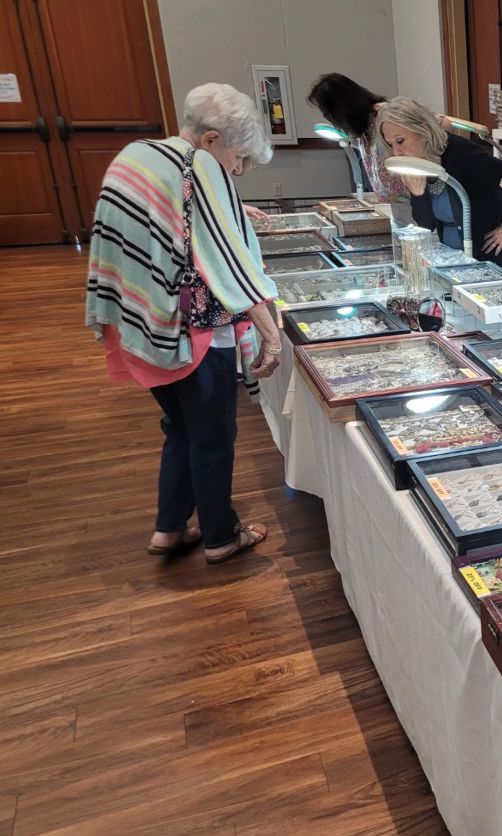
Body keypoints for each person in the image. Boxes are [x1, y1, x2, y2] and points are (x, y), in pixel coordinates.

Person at [85, 83, 283, 564]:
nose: (238, 170)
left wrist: (230, 210)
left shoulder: (138, 155)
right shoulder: (200, 166)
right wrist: (271, 335)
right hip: (190, 331)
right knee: (213, 435)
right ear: (212, 139)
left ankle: (169, 529)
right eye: (240, 158)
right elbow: (230, 267)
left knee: (180, 426)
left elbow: (164, 220)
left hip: (138, 324)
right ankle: (221, 537)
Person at [377, 97, 502, 280]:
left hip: (494, 261)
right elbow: (427, 225)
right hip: (456, 260)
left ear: (423, 129)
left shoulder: (466, 156)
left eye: (400, 141)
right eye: (391, 144)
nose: (396, 151)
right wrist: (418, 194)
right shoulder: (421, 164)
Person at [306, 73, 408, 202]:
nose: (328, 118)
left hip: (412, 201)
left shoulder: (386, 116)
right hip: (392, 205)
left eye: (329, 114)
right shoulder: (361, 129)